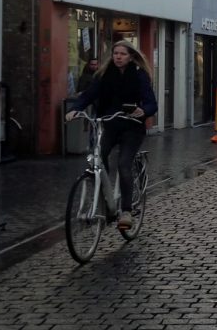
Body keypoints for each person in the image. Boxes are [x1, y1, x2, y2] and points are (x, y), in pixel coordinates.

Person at [65, 41, 157, 231]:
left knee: (124, 163)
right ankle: (107, 202)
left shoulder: (139, 75)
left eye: (123, 54)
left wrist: (142, 111)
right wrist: (75, 109)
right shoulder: (105, 75)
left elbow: (151, 103)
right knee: (99, 157)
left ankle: (126, 211)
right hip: (111, 125)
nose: (118, 57)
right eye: (115, 53)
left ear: (131, 56)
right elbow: (89, 95)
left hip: (132, 128)